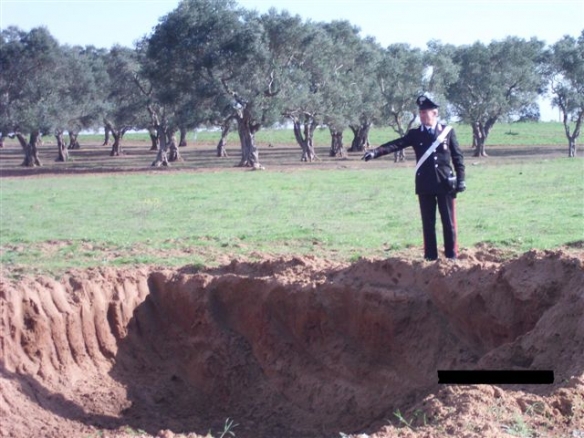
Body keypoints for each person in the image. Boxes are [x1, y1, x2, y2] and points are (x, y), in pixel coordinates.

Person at [362, 95, 466, 261]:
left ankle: (451, 257)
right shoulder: (415, 134)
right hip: (425, 184)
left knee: (449, 222)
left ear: (435, 113)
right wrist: (376, 152)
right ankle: (430, 258)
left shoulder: (447, 132)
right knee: (428, 223)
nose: (423, 116)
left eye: (426, 112)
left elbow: (457, 157)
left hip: (445, 184)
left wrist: (461, 179)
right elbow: (397, 144)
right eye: (421, 113)